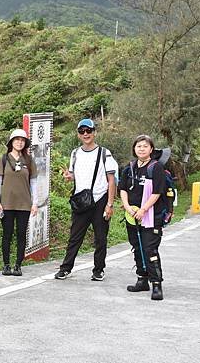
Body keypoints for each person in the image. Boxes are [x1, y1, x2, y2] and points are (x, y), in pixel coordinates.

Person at [55, 118, 117, 281]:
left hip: (100, 200)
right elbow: (75, 175)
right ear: (78, 134)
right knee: (75, 236)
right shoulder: (75, 153)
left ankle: (98, 269)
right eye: (82, 131)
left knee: (100, 237)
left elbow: (112, 180)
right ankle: (66, 268)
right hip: (81, 201)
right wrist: (69, 176)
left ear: (94, 132)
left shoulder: (104, 153)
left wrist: (110, 204)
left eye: (88, 131)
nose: (85, 134)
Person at [119, 135, 166, 300]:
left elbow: (157, 192)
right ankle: (142, 279)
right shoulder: (129, 168)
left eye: (145, 146)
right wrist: (127, 207)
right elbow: (123, 188)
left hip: (151, 217)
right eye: (138, 146)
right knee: (137, 247)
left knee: (150, 249)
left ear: (151, 149)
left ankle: (156, 284)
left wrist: (144, 209)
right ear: (134, 149)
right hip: (132, 216)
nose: (141, 149)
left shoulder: (156, 167)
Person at [0, 129, 38, 276]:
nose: (19, 142)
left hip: (24, 204)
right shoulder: (4, 159)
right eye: (16, 139)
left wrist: (35, 203)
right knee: (7, 234)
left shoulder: (28, 160)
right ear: (11, 142)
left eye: (22, 140)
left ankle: (18, 265)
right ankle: (6, 265)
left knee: (21, 234)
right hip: (6, 203)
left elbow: (33, 182)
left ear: (25, 143)